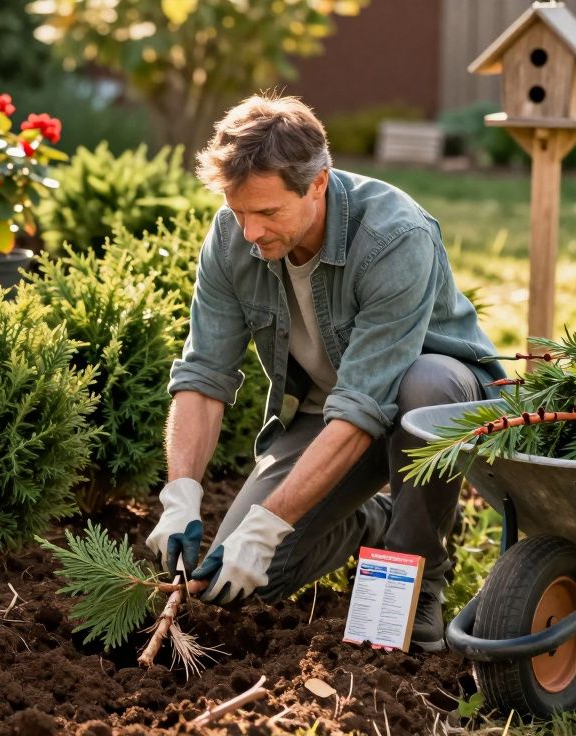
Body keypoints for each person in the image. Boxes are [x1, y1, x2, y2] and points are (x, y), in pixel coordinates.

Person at [146, 94, 504, 651]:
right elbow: (203, 376)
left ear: (318, 184)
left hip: (428, 402)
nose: (250, 232)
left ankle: (419, 574)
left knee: (426, 384)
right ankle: (375, 523)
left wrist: (271, 523)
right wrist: (182, 492)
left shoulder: (393, 236)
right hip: (330, 411)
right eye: (240, 211)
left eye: (268, 213)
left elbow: (365, 405)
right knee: (253, 580)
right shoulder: (231, 237)